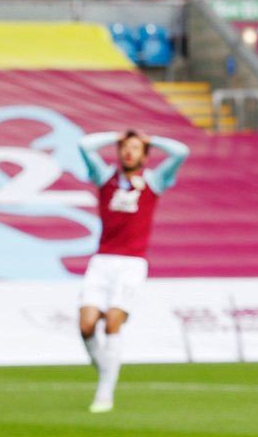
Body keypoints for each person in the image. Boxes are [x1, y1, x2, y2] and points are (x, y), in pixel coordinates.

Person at [77, 129, 189, 413]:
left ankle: (105, 391)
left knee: (112, 321)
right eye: (125, 147)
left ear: (144, 154)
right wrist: (115, 135)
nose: (129, 152)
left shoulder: (154, 181)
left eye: (136, 148)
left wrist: (152, 140)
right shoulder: (105, 178)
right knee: (86, 325)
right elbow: (84, 144)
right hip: (102, 262)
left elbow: (181, 152)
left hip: (131, 264)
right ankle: (105, 367)